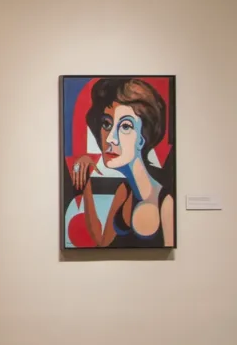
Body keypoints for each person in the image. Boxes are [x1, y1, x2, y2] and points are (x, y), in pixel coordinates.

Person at [64, 78, 174, 248]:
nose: (110, 138)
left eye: (125, 126)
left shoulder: (166, 201)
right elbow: (102, 241)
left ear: (142, 139)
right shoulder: (125, 190)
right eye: (107, 124)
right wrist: (86, 184)